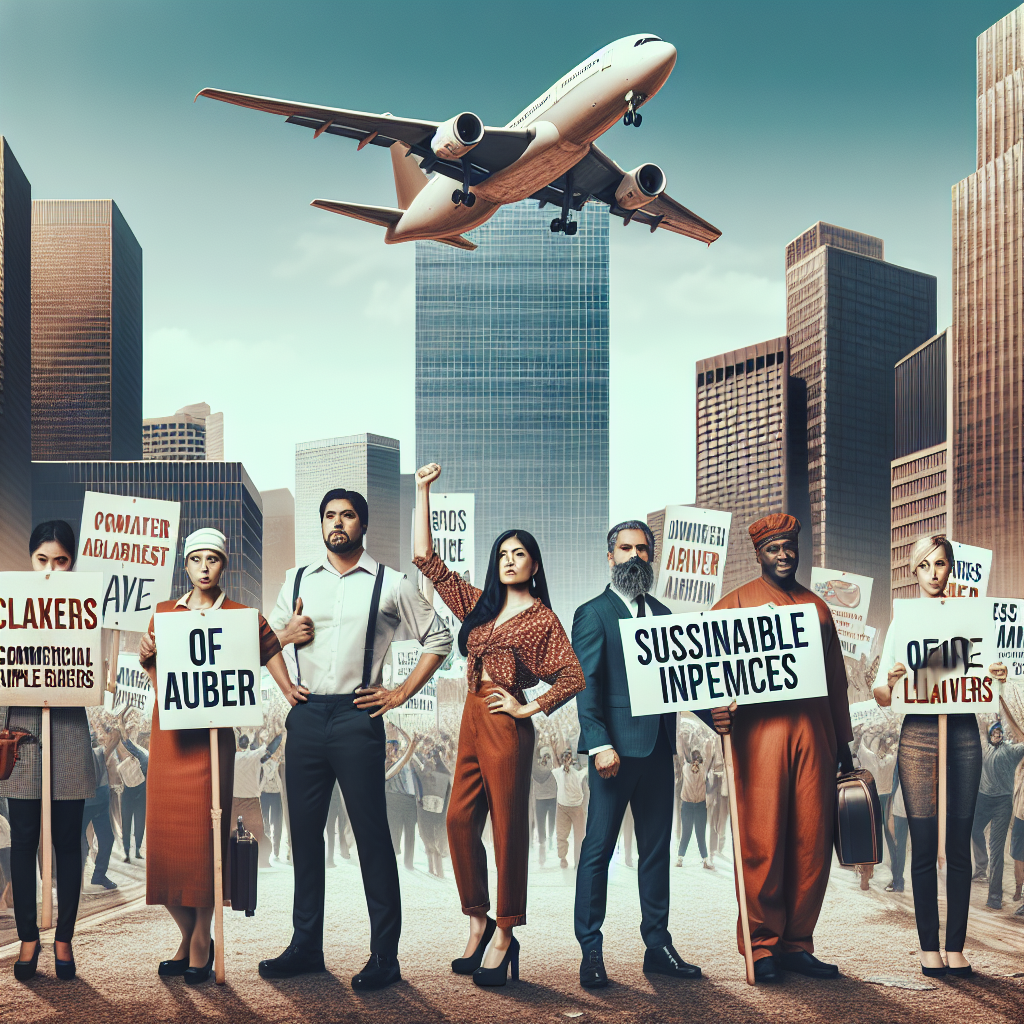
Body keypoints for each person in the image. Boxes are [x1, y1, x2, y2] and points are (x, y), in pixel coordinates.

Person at [261, 488, 452, 989]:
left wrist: (399, 694)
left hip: (357, 716)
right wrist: (285, 672)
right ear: (321, 524)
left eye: (347, 516)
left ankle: (384, 957)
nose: (337, 523)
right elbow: (264, 639)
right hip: (304, 716)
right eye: (329, 516)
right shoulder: (297, 579)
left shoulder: (390, 583)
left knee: (371, 838)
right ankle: (305, 947)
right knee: (304, 837)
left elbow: (440, 638)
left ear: (363, 525)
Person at [414, 463, 585, 987]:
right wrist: (422, 491)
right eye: (503, 554)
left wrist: (526, 708)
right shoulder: (480, 607)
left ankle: (506, 935)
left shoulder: (543, 617)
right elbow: (429, 562)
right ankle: (478, 920)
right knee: (458, 822)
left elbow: (572, 674)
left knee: (509, 830)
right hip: (469, 714)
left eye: (519, 555)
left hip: (505, 722)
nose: (510, 561)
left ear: (534, 564)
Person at [138, 527, 295, 984]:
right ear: (185, 566)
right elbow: (156, 676)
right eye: (196, 560)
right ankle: (189, 938)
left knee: (205, 842)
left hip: (213, 744)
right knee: (165, 847)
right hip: (170, 742)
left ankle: (201, 940)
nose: (204, 568)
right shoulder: (163, 614)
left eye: (213, 559)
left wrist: (288, 689)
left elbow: (269, 651)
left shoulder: (242, 616)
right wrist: (147, 654)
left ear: (224, 565)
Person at [711, 514, 854, 984]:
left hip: (816, 736)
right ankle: (762, 945)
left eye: (790, 547)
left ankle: (797, 943)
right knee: (762, 841)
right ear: (759, 554)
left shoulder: (819, 609)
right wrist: (716, 712)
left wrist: (845, 746)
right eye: (774, 548)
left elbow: (837, 682)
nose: (784, 555)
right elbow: (704, 674)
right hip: (760, 739)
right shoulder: (731, 606)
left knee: (812, 843)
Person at [572, 520, 705, 989]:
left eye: (642, 549)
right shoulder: (593, 614)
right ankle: (590, 949)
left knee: (655, 853)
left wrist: (720, 714)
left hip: (658, 751)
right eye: (624, 548)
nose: (633, 555)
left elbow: (688, 679)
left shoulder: (667, 614)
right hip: (613, 754)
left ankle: (658, 946)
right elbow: (585, 685)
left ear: (652, 556)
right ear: (610, 557)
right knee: (598, 851)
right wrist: (600, 743)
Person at [874, 533, 1006, 977]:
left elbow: (990, 682)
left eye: (942, 565)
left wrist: (998, 673)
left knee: (961, 843)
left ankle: (956, 946)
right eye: (925, 565)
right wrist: (890, 683)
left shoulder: (970, 618)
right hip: (919, 734)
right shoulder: (904, 621)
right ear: (914, 571)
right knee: (925, 845)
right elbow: (880, 695)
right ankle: (929, 946)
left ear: (951, 568)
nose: (934, 573)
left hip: (964, 731)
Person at [4, 521, 97, 982]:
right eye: (43, 560)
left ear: (72, 562)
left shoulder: (85, 608)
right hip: (21, 731)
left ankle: (64, 937)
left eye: (61, 560)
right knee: (23, 843)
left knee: (67, 843)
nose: (51, 568)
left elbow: (96, 674)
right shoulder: (10, 605)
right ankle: (27, 937)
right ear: (30, 561)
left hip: (68, 733)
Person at [971, 719, 1024, 909]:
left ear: (1002, 735)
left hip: (1003, 802)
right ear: (989, 734)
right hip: (983, 800)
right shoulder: (983, 748)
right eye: (994, 732)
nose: (997, 734)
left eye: (999, 732)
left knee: (997, 849)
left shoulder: (1011, 750)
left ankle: (994, 897)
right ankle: (981, 866)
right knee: (972, 829)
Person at [857, 728, 905, 891]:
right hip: (885, 798)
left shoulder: (870, 752)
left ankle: (871, 876)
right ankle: (894, 879)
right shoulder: (889, 755)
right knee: (890, 840)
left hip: (877, 798)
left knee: (874, 839)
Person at [231, 731, 281, 869]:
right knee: (259, 835)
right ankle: (263, 862)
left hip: (234, 802)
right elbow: (270, 748)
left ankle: (228, 861)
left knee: (228, 834)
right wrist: (279, 735)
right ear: (248, 743)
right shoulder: (254, 755)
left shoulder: (232, 757)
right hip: (251, 802)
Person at [80, 722, 120, 891]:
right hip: (85, 804)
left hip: (101, 804)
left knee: (107, 839)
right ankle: (78, 878)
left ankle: (98, 875)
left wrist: (111, 727)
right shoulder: (90, 754)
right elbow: (115, 739)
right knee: (81, 841)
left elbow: (116, 738)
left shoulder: (99, 752)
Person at [413, 740, 451, 878]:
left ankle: (435, 870)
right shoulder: (444, 774)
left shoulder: (427, 773)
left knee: (429, 841)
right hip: (436, 813)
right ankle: (435, 870)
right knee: (431, 841)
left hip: (428, 812)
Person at [117, 712, 148, 864]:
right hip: (129, 792)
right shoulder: (139, 753)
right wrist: (122, 724)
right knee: (127, 822)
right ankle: (128, 853)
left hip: (141, 794)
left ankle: (135, 851)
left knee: (139, 824)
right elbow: (126, 742)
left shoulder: (145, 754)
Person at [385, 739, 419, 870]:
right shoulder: (386, 763)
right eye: (389, 749)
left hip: (410, 801)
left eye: (395, 748)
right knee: (394, 831)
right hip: (393, 800)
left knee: (410, 832)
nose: (392, 751)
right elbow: (397, 767)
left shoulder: (405, 763)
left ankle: (408, 862)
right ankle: (392, 861)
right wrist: (411, 748)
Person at [676, 748, 714, 869]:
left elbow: (709, 754)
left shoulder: (703, 770)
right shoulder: (686, 768)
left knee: (700, 834)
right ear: (691, 761)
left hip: (699, 806)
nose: (696, 764)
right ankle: (680, 858)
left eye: (697, 761)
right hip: (688, 805)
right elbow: (683, 752)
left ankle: (705, 860)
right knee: (686, 833)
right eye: (694, 760)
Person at [553, 750, 588, 869]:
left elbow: (587, 769)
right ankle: (563, 858)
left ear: (572, 761)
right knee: (561, 835)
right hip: (562, 808)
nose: (566, 761)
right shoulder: (557, 772)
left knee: (580, 836)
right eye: (565, 759)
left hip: (577, 808)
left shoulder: (578, 773)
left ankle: (578, 861)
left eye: (569, 759)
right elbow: (554, 758)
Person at [532, 748, 557, 866]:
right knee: (541, 825)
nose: (545, 758)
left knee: (552, 822)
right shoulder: (536, 769)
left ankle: (551, 838)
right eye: (543, 756)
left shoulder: (553, 765)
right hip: (540, 799)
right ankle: (542, 848)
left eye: (547, 755)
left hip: (552, 797)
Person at [324, 783, 350, 866]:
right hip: (334, 794)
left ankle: (343, 852)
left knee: (340, 826)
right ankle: (331, 857)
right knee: (332, 827)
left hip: (341, 793)